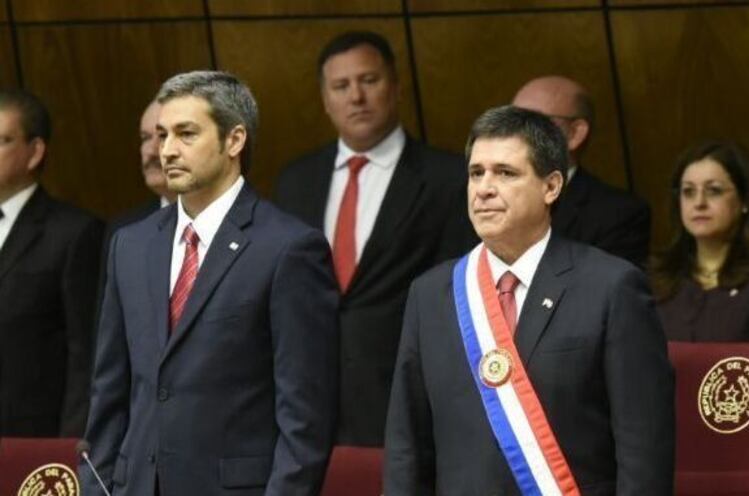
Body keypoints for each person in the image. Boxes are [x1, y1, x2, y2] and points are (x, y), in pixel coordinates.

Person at [384, 105, 674, 495]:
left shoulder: (611, 287)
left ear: (551, 186)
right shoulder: (431, 293)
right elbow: (407, 446)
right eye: (476, 173)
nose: (484, 188)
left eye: (505, 173)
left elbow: (644, 449)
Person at [81, 71, 339, 495]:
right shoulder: (130, 244)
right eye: (162, 135)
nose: (167, 150)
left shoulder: (289, 249)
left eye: (186, 134)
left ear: (234, 140)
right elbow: (109, 393)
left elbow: (305, 416)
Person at [274, 30, 475, 446]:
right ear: (325, 99)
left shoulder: (449, 179)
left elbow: (454, 294)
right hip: (309, 404)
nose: (356, 97)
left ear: (396, 87)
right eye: (341, 86)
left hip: (408, 395)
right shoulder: (295, 181)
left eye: (369, 80)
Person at [0, 89, 103, 437]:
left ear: (34, 152)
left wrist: (68, 449)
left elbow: (85, 354)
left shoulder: (74, 232)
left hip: (32, 439)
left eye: (1, 140)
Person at [512, 75, 651, 267]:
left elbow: (602, 284)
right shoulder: (480, 197)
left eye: (531, 121)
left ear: (575, 134)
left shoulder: (618, 215)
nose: (512, 133)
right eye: (509, 121)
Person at [651, 142, 749, 341]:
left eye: (714, 191)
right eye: (688, 192)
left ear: (745, 200)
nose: (699, 203)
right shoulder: (657, 277)